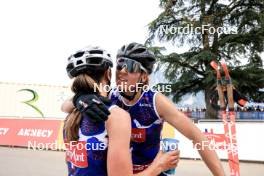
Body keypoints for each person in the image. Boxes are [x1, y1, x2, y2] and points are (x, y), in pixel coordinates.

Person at [62, 43, 224, 175]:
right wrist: (80, 98)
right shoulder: (110, 95)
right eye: (119, 65)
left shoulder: (155, 101)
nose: (122, 71)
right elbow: (64, 107)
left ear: (143, 76)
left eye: (129, 66)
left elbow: (198, 137)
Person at [63, 46, 179, 176]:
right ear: (108, 73)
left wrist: (78, 98)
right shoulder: (116, 116)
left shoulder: (71, 116)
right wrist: (159, 165)